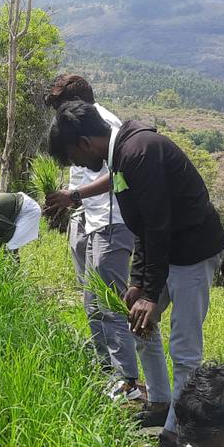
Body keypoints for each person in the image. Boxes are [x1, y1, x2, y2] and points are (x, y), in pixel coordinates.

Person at [48, 100, 224, 447]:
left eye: (73, 158)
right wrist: (137, 284)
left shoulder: (139, 152)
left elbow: (158, 225)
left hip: (192, 252)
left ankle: (178, 436)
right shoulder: (122, 156)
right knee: (139, 323)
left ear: (84, 142)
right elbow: (144, 226)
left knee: (185, 349)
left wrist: (148, 291)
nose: (79, 167)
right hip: (167, 250)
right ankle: (160, 404)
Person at [43, 74, 151, 409]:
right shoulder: (80, 127)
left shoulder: (104, 125)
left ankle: (129, 381)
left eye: (61, 107)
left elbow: (117, 174)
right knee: (92, 301)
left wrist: (73, 195)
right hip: (92, 221)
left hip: (112, 222)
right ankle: (108, 369)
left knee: (111, 303)